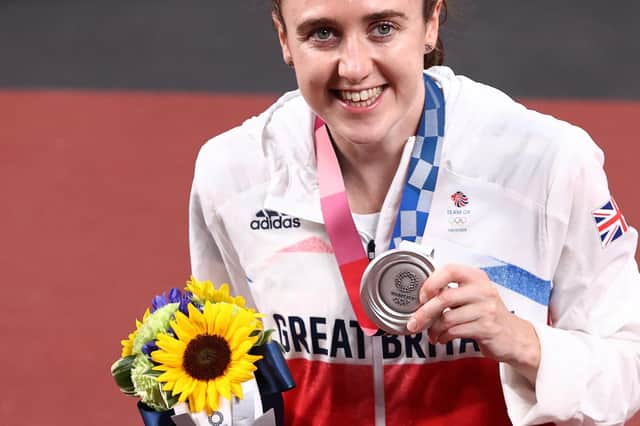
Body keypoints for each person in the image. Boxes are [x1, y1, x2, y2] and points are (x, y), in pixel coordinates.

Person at [188, 0, 640, 424]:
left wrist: (523, 341)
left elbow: (629, 361)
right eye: (322, 33)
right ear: (284, 37)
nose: (354, 67)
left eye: (383, 28)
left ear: (431, 23)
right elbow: (238, 381)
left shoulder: (545, 162)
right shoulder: (233, 174)